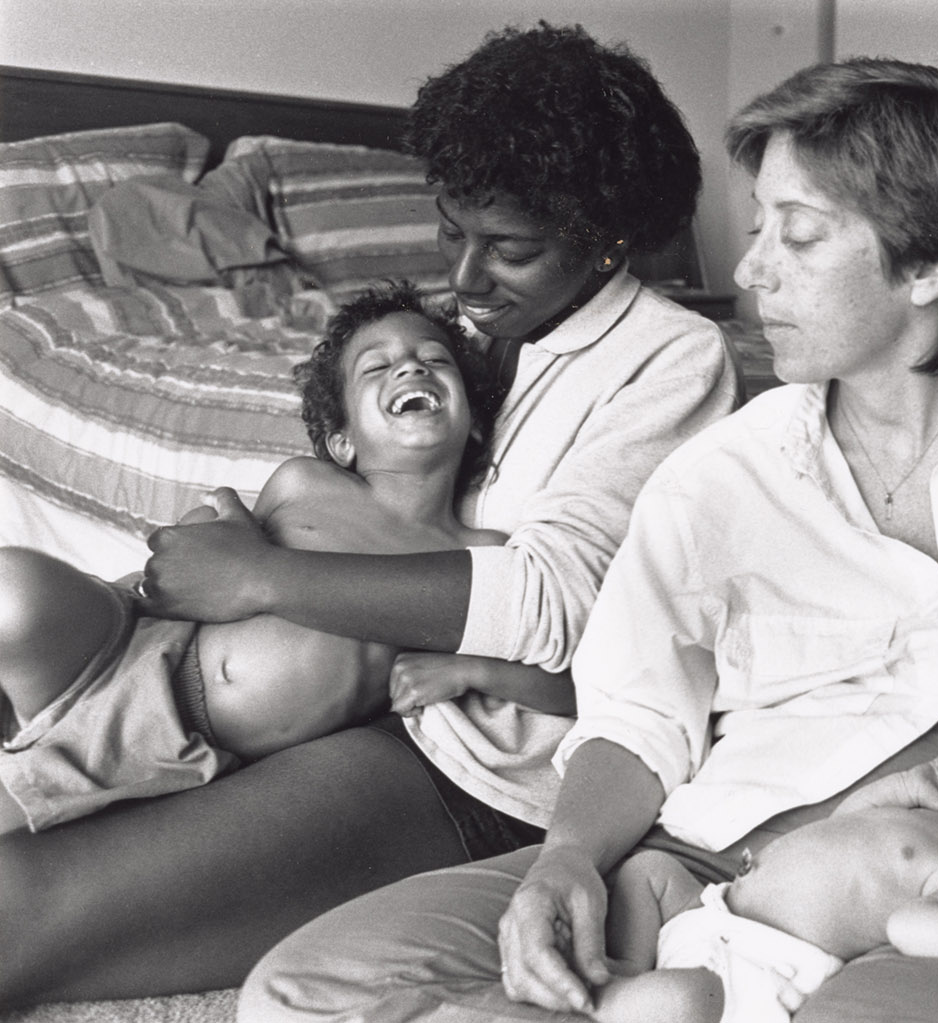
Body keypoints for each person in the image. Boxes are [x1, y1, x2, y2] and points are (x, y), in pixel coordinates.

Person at [238, 56, 938, 1023]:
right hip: (708, 867)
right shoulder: (718, 475)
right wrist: (563, 863)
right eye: (758, 229)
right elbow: (638, 709)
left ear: (927, 267)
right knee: (302, 991)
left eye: (797, 232)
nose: (749, 272)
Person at [0, 23, 738, 1009]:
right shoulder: (472, 339)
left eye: (509, 248)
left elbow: (560, 601)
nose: (466, 282)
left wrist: (260, 578)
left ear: (607, 237)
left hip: (478, 774)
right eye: (449, 231)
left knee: (17, 915)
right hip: (352, 699)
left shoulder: (671, 358)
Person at [0, 281, 525, 832]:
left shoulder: (478, 555)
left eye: (434, 359)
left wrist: (470, 670)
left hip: (189, 753)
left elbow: (561, 678)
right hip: (132, 648)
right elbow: (208, 554)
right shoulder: (306, 483)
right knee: (16, 591)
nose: (411, 368)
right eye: (377, 367)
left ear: (476, 426)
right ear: (342, 441)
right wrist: (210, 525)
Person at [590, 755, 938, 1023]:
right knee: (646, 872)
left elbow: (906, 927)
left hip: (749, 970)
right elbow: (844, 822)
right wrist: (903, 787)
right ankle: (621, 972)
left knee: (682, 1001)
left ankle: (594, 1008)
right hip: (716, 909)